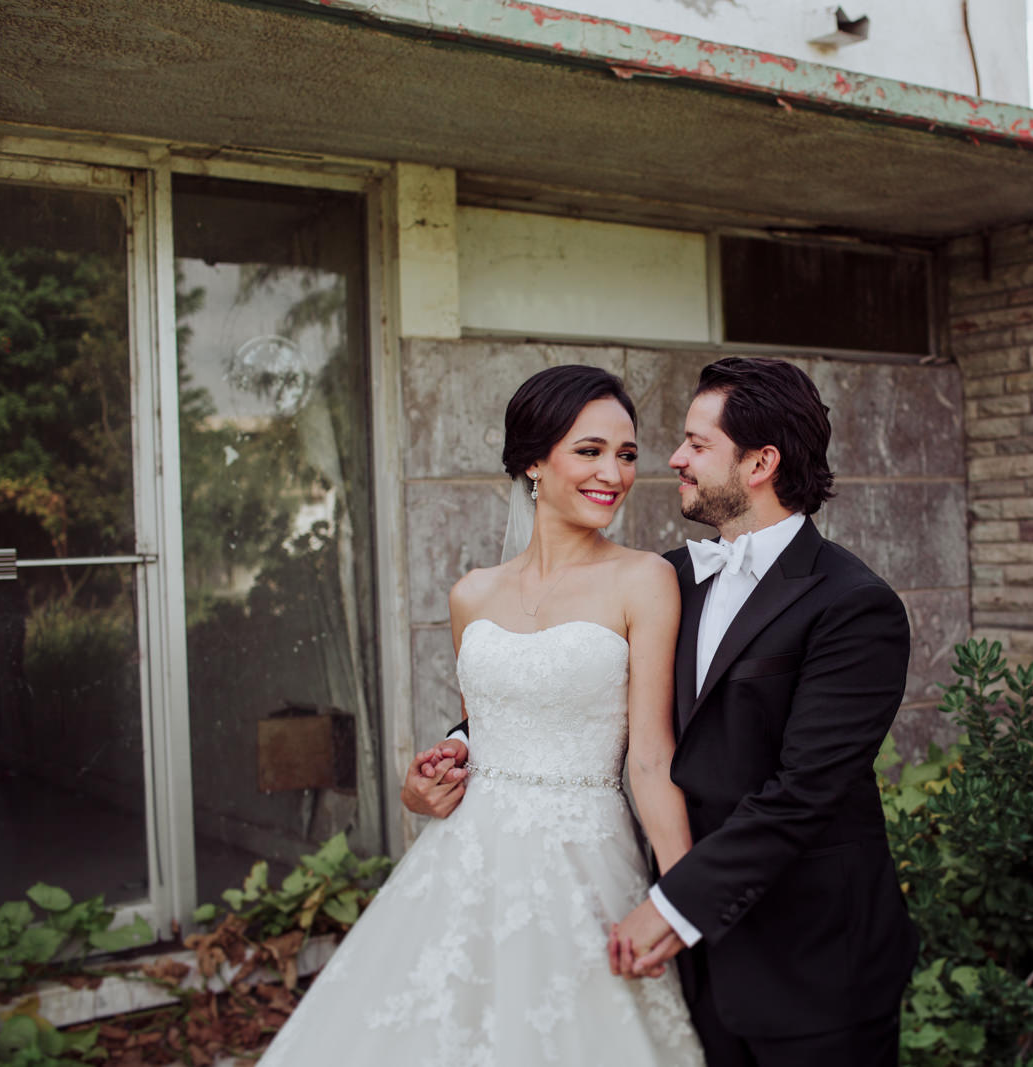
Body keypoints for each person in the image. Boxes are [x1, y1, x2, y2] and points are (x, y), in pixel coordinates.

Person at [413, 357, 919, 1066]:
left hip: (809, 960)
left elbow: (805, 792)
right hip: (685, 954)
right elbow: (573, 695)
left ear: (760, 463)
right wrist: (458, 747)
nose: (672, 459)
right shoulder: (665, 579)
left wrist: (677, 904)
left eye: (696, 443)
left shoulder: (852, 604)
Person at [260, 365, 704, 1066]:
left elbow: (649, 757)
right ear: (533, 459)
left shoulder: (643, 579)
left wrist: (685, 893)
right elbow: (480, 731)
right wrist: (427, 778)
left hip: (585, 856)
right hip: (465, 859)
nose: (614, 474)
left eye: (626, 454)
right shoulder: (471, 594)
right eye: (589, 451)